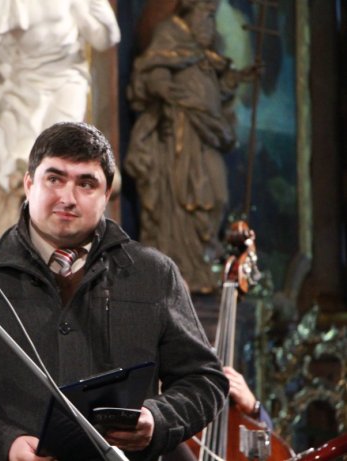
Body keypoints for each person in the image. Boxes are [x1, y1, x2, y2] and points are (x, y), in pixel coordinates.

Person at [0, 121, 228, 461]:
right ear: (29, 184)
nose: (67, 198)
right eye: (54, 179)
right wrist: (4, 445)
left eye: (86, 184)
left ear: (107, 193)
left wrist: (157, 420)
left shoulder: (154, 274)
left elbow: (204, 381)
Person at [0, 0, 121, 252]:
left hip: (64, 82)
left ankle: (53, 241)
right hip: (24, 84)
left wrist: (95, 11)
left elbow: (105, 38)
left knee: (49, 157)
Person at [124, 0, 256, 293]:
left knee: (217, 196)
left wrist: (236, 78)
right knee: (185, 197)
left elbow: (214, 92)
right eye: (207, 17)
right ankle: (179, 269)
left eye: (212, 18)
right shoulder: (168, 37)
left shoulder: (203, 56)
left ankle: (202, 262)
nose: (210, 26)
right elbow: (150, 73)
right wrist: (165, 90)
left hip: (206, 135)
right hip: (178, 139)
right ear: (190, 14)